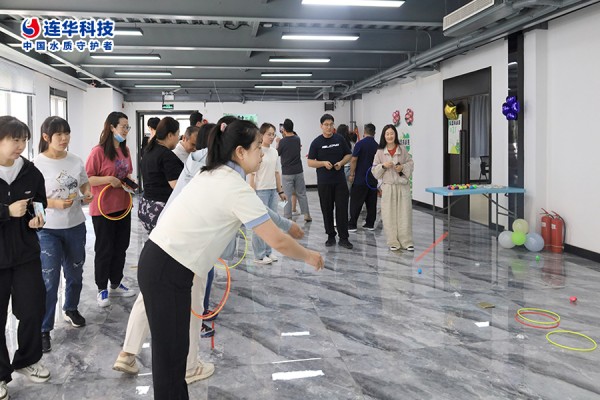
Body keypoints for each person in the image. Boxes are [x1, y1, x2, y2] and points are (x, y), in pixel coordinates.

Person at [138, 119, 324, 399]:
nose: (262, 154)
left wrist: (288, 226)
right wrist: (309, 255)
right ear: (240, 151)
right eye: (258, 147)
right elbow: (277, 241)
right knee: (171, 360)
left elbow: (259, 212)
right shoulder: (232, 185)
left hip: (162, 263)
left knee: (172, 357)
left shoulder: (216, 173)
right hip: (167, 269)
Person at [33, 116, 93, 354]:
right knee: (49, 280)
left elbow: (84, 183)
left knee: (75, 272)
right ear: (46, 137)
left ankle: (71, 308)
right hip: (48, 229)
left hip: (75, 225)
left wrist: (87, 193)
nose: (64, 138)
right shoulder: (36, 164)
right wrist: (53, 203)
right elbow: (32, 199)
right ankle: (44, 328)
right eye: (58, 134)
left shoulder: (75, 160)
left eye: (66, 133)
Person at [0, 116, 50, 400]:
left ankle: (28, 360)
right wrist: (6, 211)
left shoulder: (30, 172)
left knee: (32, 309)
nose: (20, 146)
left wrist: (37, 217)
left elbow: (39, 203)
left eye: (23, 140)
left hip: (25, 254)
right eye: (14, 140)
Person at [85, 111, 136, 308]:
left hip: (123, 206)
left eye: (127, 127)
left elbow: (126, 173)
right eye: (123, 126)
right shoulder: (98, 152)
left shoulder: (125, 150)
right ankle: (101, 288)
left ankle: (116, 282)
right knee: (104, 249)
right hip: (103, 209)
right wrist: (109, 179)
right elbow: (88, 178)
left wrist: (130, 182)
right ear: (112, 127)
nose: (126, 130)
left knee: (121, 246)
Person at [307, 114, 353, 249]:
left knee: (342, 209)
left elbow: (349, 154)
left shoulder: (339, 139)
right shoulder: (316, 142)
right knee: (327, 209)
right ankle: (330, 236)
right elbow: (310, 162)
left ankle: (344, 238)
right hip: (324, 182)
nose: (329, 127)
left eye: (331, 124)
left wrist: (341, 163)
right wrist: (322, 163)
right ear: (321, 126)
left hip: (339, 181)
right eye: (326, 125)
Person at [371, 124, 415, 251]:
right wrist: (383, 166)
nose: (390, 136)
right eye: (387, 134)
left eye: (392, 133)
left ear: (395, 135)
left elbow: (410, 163)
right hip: (388, 187)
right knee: (389, 214)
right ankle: (393, 242)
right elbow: (374, 171)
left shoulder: (402, 149)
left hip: (402, 186)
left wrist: (402, 167)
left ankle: (406, 241)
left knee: (405, 213)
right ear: (384, 136)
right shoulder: (380, 152)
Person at [248, 123, 287, 264]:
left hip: (272, 191)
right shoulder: (256, 150)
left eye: (273, 134)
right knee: (260, 224)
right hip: (260, 191)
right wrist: (252, 192)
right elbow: (252, 174)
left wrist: (280, 191)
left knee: (271, 223)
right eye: (268, 134)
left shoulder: (274, 152)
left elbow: (277, 173)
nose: (271, 137)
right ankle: (259, 255)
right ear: (261, 135)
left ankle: (268, 252)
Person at [138, 117, 183, 234]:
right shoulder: (167, 156)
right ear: (170, 135)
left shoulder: (148, 151)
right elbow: (177, 186)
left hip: (145, 207)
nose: (178, 138)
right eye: (178, 134)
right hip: (159, 210)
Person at [277, 118, 311, 221]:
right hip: (298, 170)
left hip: (287, 172)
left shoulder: (282, 141)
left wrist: (278, 143)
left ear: (284, 129)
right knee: (301, 193)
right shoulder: (297, 139)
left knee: (287, 196)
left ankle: (288, 217)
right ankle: (306, 215)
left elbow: (277, 153)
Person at [348, 123, 379, 232]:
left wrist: (351, 174)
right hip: (373, 179)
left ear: (364, 132)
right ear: (374, 133)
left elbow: (354, 159)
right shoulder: (377, 146)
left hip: (360, 178)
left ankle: (352, 224)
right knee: (371, 202)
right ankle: (370, 224)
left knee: (356, 202)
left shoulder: (360, 144)